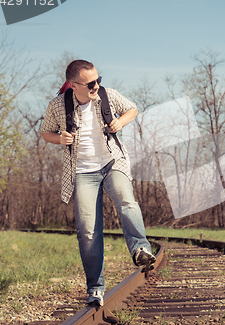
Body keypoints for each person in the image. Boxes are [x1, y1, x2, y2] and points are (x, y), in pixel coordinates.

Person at [40, 60, 156, 307]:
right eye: (90, 83)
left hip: (112, 162)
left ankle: (141, 250)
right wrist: (59, 138)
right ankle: (95, 288)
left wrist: (120, 122)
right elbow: (45, 132)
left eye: (98, 79)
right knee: (88, 230)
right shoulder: (58, 106)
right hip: (82, 172)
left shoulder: (107, 95)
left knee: (126, 200)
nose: (96, 85)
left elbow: (132, 109)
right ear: (73, 85)